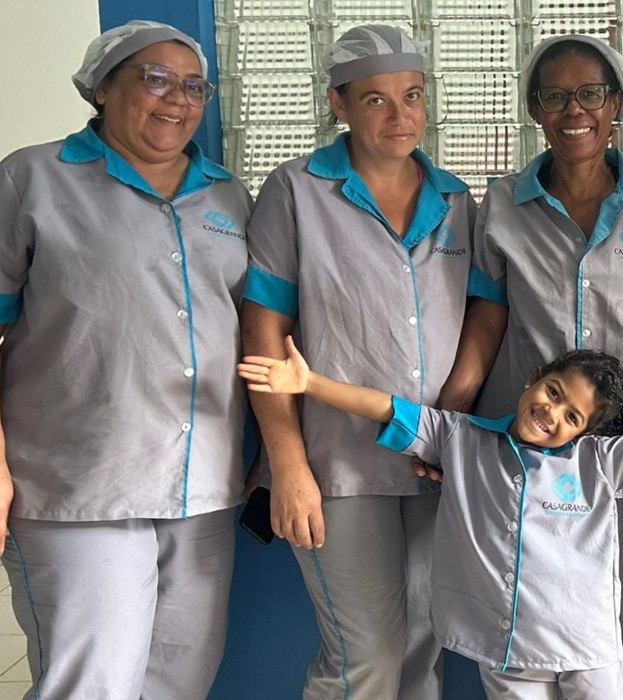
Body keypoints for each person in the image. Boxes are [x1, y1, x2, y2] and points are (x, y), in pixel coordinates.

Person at [0, 20, 251, 698]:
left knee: (179, 682)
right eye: (154, 79)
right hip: (75, 484)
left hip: (199, 486)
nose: (176, 99)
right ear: (101, 89)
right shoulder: (32, 178)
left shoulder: (227, 196)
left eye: (193, 86)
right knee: (89, 685)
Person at [239, 340, 623, 699]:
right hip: (508, 652)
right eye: (552, 393)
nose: (551, 413)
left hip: (588, 648)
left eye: (571, 415)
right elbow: (389, 408)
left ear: (586, 431)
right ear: (534, 377)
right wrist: (309, 385)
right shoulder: (462, 440)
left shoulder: (598, 460)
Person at [434, 34, 623, 698]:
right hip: (536, 456)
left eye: (591, 93)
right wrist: (452, 421)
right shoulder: (500, 205)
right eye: (555, 96)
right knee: (538, 611)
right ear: (534, 109)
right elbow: (488, 321)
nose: (574, 110)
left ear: (616, 104)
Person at [240, 24, 475, 699]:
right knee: (364, 657)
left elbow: (482, 315)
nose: (400, 117)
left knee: (424, 646)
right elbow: (264, 335)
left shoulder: (458, 202)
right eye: (375, 100)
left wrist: (450, 419)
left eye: (412, 96)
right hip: (336, 464)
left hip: (433, 460)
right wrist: (287, 465)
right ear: (337, 104)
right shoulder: (295, 193)